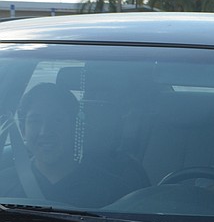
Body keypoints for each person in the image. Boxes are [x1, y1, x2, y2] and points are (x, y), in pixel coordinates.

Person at [0, 83, 131, 207]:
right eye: (35, 121)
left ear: (74, 127)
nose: (44, 131)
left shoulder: (112, 191)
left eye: (57, 120)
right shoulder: (3, 183)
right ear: (23, 130)